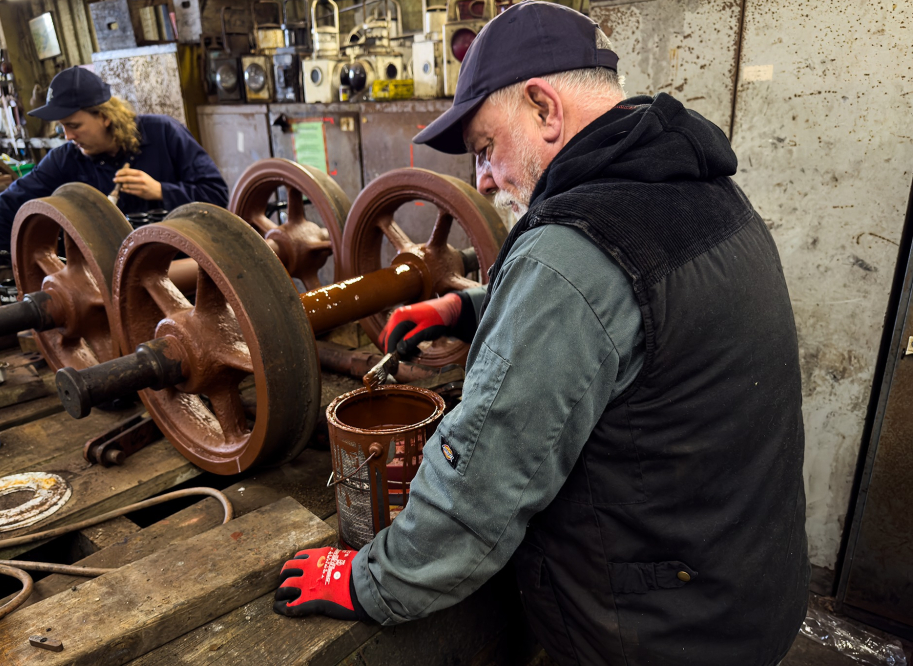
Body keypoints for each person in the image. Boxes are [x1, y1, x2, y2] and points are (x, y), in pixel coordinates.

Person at [272, 3, 810, 665]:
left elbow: (481, 485)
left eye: (485, 148)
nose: (483, 179)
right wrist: (468, 310)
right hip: (744, 592)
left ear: (544, 109)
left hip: (651, 637)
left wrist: (370, 580)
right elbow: (635, 324)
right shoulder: (706, 192)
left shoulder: (569, 256)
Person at [0, 66, 228, 310]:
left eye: (74, 126)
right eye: (63, 128)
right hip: (111, 289)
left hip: (188, 281)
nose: (68, 136)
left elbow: (216, 195)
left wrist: (161, 191)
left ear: (104, 117)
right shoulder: (66, 159)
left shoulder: (165, 134)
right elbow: (10, 204)